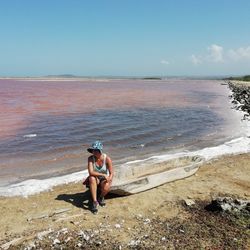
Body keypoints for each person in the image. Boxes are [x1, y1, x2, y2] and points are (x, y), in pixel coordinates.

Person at [83, 141, 114, 214]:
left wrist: (109, 178)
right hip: (96, 177)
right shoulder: (90, 158)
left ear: (100, 150)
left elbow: (112, 172)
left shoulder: (107, 159)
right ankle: (94, 202)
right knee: (91, 178)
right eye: (93, 150)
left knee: (106, 187)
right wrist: (103, 175)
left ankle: (100, 197)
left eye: (96, 150)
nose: (94, 152)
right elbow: (91, 172)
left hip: (104, 178)